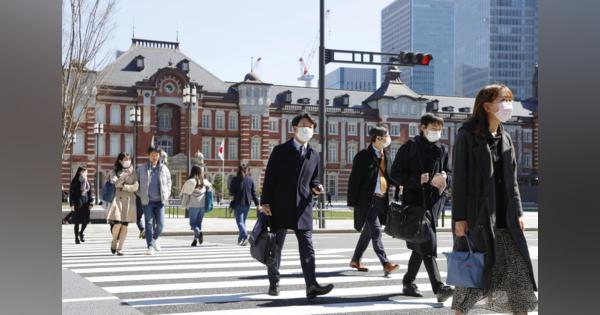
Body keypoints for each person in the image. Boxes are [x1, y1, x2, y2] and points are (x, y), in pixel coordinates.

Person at [450, 84, 537, 314]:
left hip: (506, 221)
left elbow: (513, 181)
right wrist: (458, 218)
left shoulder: (506, 137)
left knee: (519, 279)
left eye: (510, 99)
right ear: (487, 106)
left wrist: (518, 212)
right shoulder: (467, 135)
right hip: (478, 217)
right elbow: (459, 179)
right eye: (503, 100)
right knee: (472, 279)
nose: (509, 105)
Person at [260, 112, 334, 299]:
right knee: (276, 247)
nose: (307, 129)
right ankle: (274, 282)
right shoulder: (280, 151)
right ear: (294, 128)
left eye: (310, 126)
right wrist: (265, 202)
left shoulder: (314, 154)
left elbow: (314, 178)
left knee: (307, 247)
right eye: (303, 125)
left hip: (303, 207)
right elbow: (269, 178)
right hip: (280, 205)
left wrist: (317, 188)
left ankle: (311, 285)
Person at [390, 113, 454, 302]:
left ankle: (408, 282)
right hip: (415, 202)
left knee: (420, 243)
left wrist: (445, 179)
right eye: (433, 128)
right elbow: (395, 173)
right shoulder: (409, 148)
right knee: (427, 243)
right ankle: (438, 287)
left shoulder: (442, 149)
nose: (436, 132)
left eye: (439, 129)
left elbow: (450, 172)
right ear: (422, 128)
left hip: (434, 204)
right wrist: (416, 180)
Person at [347, 125, 400, 276]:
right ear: (377, 139)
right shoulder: (363, 156)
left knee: (368, 232)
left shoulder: (387, 155)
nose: (388, 139)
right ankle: (385, 263)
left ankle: (355, 260)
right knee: (376, 231)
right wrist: (352, 202)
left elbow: (390, 176)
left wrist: (400, 185)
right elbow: (354, 180)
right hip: (367, 200)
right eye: (386, 136)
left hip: (382, 200)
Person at [137, 145, 172, 255]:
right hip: (147, 201)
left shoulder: (164, 168)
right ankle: (150, 246)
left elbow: (169, 182)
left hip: (160, 201)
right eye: (152, 155)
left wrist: (167, 194)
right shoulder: (141, 168)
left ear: (159, 156)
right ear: (148, 155)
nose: (154, 157)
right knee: (148, 223)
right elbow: (136, 183)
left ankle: (154, 239)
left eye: (156, 155)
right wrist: (140, 194)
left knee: (161, 225)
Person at [105, 153, 139, 255]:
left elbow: (136, 186)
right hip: (117, 200)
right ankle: (115, 240)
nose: (128, 161)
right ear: (120, 161)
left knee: (125, 225)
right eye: (125, 159)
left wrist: (125, 187)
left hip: (129, 201)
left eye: (129, 159)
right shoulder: (114, 171)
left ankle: (120, 248)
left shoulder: (134, 171)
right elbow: (116, 184)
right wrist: (124, 176)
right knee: (117, 223)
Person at [180, 166, 213, 247]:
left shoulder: (190, 181)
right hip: (202, 205)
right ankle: (195, 240)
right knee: (199, 223)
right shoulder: (205, 181)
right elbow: (211, 189)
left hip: (193, 205)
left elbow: (184, 193)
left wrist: (184, 204)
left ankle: (199, 233)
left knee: (192, 224)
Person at [229, 164, 259, 246]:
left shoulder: (235, 179)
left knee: (240, 222)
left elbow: (231, 191)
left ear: (238, 170)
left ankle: (245, 236)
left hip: (238, 203)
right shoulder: (250, 180)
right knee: (243, 222)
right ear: (246, 171)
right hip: (247, 204)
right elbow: (253, 194)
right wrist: (257, 205)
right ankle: (240, 239)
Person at [69, 166, 93, 244]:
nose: (86, 173)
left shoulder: (87, 181)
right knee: (77, 222)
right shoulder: (75, 180)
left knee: (86, 221)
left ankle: (81, 232)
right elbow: (71, 193)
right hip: (77, 202)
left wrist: (91, 202)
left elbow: (90, 193)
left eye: (86, 172)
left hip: (85, 203)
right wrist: (71, 204)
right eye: (84, 171)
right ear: (80, 172)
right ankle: (76, 238)